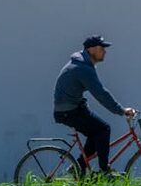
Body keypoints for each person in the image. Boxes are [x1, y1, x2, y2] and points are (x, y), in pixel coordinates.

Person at [53, 35, 136, 175]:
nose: (105, 51)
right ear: (91, 50)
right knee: (104, 129)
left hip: (72, 108)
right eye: (101, 48)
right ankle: (105, 170)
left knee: (95, 133)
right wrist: (121, 110)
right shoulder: (83, 68)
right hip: (68, 111)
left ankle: (78, 167)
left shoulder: (83, 64)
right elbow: (101, 94)